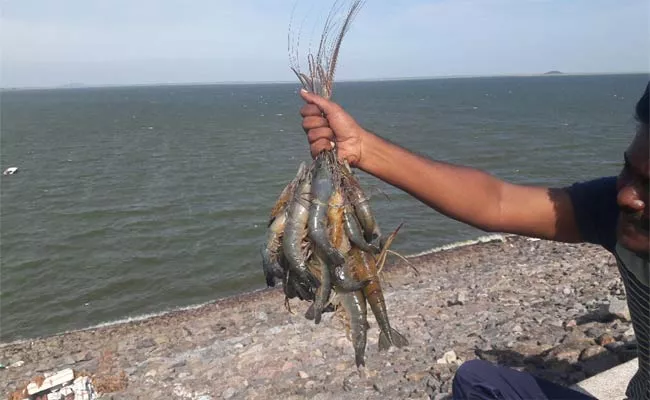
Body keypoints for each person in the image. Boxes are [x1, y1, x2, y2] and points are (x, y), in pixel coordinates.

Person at [298, 81, 649, 400]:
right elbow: (496, 202)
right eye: (627, 170)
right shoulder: (614, 213)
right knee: (475, 381)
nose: (627, 196)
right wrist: (362, 148)